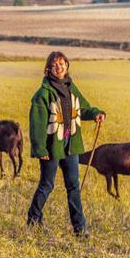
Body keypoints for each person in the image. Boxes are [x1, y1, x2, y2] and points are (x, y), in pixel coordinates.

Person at [27, 51, 105, 237]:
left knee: (73, 187)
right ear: (48, 69)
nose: (59, 67)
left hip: (71, 146)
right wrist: (40, 149)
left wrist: (95, 113)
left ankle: (80, 228)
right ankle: (33, 220)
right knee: (47, 185)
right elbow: (36, 125)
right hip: (52, 148)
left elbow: (83, 108)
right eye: (55, 64)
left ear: (67, 66)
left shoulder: (71, 87)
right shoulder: (42, 94)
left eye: (62, 63)